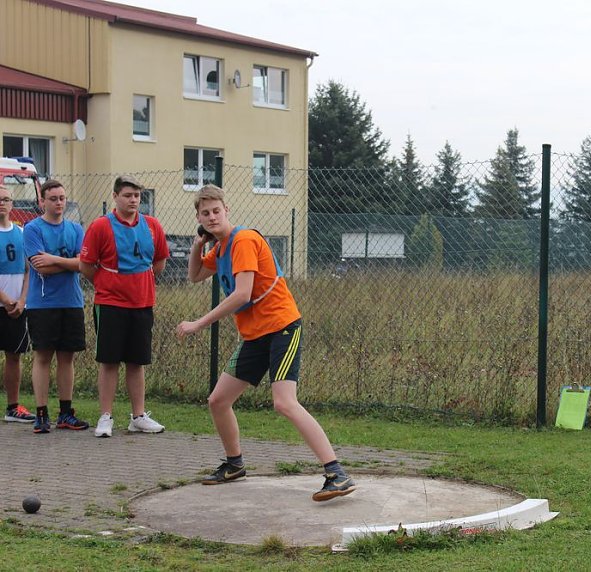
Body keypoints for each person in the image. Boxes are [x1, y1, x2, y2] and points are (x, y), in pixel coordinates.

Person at [176, 184, 356, 501]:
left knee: (284, 402)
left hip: (281, 327)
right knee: (218, 400)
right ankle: (234, 465)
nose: (212, 216)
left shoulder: (243, 240)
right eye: (205, 213)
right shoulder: (219, 248)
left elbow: (242, 294)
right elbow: (194, 276)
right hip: (254, 335)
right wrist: (196, 246)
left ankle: (336, 473)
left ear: (226, 210)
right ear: (199, 218)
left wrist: (199, 323)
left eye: (216, 210)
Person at [80, 175, 169, 438]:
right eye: (128, 195)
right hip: (110, 303)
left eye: (137, 196)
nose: (133, 200)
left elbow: (160, 261)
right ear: (116, 196)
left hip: (142, 303)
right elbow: (87, 266)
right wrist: (109, 284)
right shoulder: (100, 226)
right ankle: (105, 416)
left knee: (136, 361)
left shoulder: (152, 225)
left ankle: (138, 416)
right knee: (109, 361)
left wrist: (140, 283)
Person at [23, 179, 89, 433]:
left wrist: (53, 258)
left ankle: (65, 413)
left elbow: (84, 264)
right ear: (42, 202)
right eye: (53, 198)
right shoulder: (32, 229)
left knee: (67, 357)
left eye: (62, 198)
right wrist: (68, 261)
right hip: (42, 304)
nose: (59, 203)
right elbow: (41, 267)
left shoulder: (75, 229)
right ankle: (41, 413)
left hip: (71, 302)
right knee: (43, 357)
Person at [0, 185, 35, 424]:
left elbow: (27, 269)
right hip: (4, 302)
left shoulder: (22, 233)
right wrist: (5, 298)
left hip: (16, 308)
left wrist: (22, 300)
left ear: (12, 204)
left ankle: (12, 407)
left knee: (14, 356)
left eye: (5, 199)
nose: (2, 203)